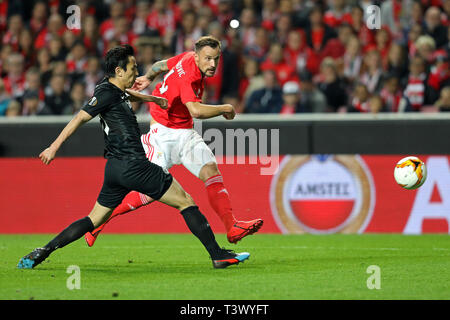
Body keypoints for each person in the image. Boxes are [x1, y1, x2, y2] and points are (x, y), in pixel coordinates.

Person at [17, 44, 250, 270]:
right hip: (135, 165)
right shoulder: (104, 94)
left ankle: (43, 251)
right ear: (118, 71)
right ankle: (217, 255)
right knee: (186, 201)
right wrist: (53, 147)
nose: (137, 72)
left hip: (114, 170)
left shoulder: (112, 89)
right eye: (133, 68)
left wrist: (152, 99)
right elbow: (79, 118)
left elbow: (126, 94)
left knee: (93, 220)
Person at [84, 36, 263, 247]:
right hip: (162, 134)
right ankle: (98, 223)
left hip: (184, 131)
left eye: (216, 59)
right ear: (197, 56)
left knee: (210, 171)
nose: (212, 64)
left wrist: (149, 78)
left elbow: (160, 65)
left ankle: (232, 228)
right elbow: (196, 110)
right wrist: (226, 108)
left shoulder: (187, 57)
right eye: (207, 59)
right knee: (149, 192)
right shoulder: (188, 75)